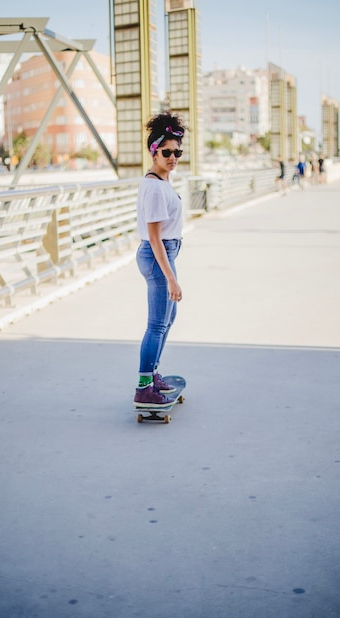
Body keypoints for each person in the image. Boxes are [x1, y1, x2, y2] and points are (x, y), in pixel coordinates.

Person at [134, 111, 186, 408]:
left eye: (177, 152)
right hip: (158, 257)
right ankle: (144, 386)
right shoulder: (154, 187)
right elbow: (154, 238)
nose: (173, 157)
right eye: (167, 152)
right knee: (156, 324)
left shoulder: (161, 182)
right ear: (155, 151)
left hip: (163, 254)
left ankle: (152, 374)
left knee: (168, 318)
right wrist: (171, 278)